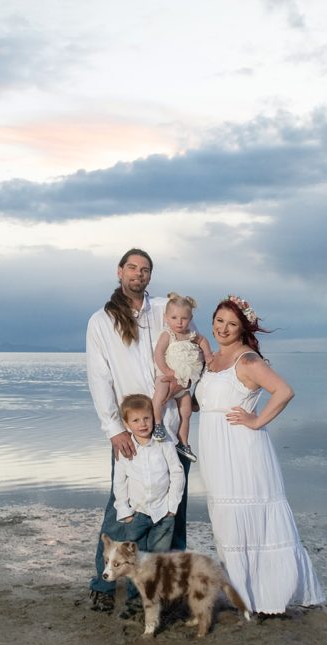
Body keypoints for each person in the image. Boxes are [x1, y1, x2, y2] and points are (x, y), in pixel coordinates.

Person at [194, 295, 324, 615]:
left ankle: (267, 597)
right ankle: (246, 597)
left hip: (243, 452)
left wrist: (257, 420)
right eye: (219, 320)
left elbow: (284, 391)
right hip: (215, 452)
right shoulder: (212, 361)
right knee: (227, 524)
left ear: (242, 328)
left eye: (232, 324)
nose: (223, 328)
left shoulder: (248, 361)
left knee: (249, 519)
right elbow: (207, 403)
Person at [85, 248, 192, 612]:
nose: (139, 274)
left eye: (145, 269)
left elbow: (188, 345)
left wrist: (187, 386)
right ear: (119, 272)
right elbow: (99, 378)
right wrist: (113, 429)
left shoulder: (163, 309)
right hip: (131, 433)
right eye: (132, 267)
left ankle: (167, 590)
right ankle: (103, 584)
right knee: (122, 512)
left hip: (170, 429)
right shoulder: (101, 321)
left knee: (171, 514)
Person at [113, 394, 185, 555]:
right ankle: (135, 582)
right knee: (133, 560)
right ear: (126, 424)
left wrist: (172, 507)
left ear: (154, 418)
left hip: (163, 513)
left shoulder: (164, 442)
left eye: (146, 418)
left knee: (157, 561)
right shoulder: (125, 448)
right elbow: (119, 481)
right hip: (136, 513)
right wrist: (125, 511)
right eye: (136, 420)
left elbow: (177, 472)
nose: (142, 424)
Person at [150, 292, 213, 462]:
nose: (179, 322)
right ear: (166, 318)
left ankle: (183, 442)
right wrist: (167, 371)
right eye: (174, 317)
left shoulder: (192, 335)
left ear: (190, 318)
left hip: (183, 384)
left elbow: (204, 341)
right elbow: (158, 354)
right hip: (166, 376)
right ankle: (157, 424)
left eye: (184, 318)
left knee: (186, 412)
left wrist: (208, 355)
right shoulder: (167, 335)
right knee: (159, 395)